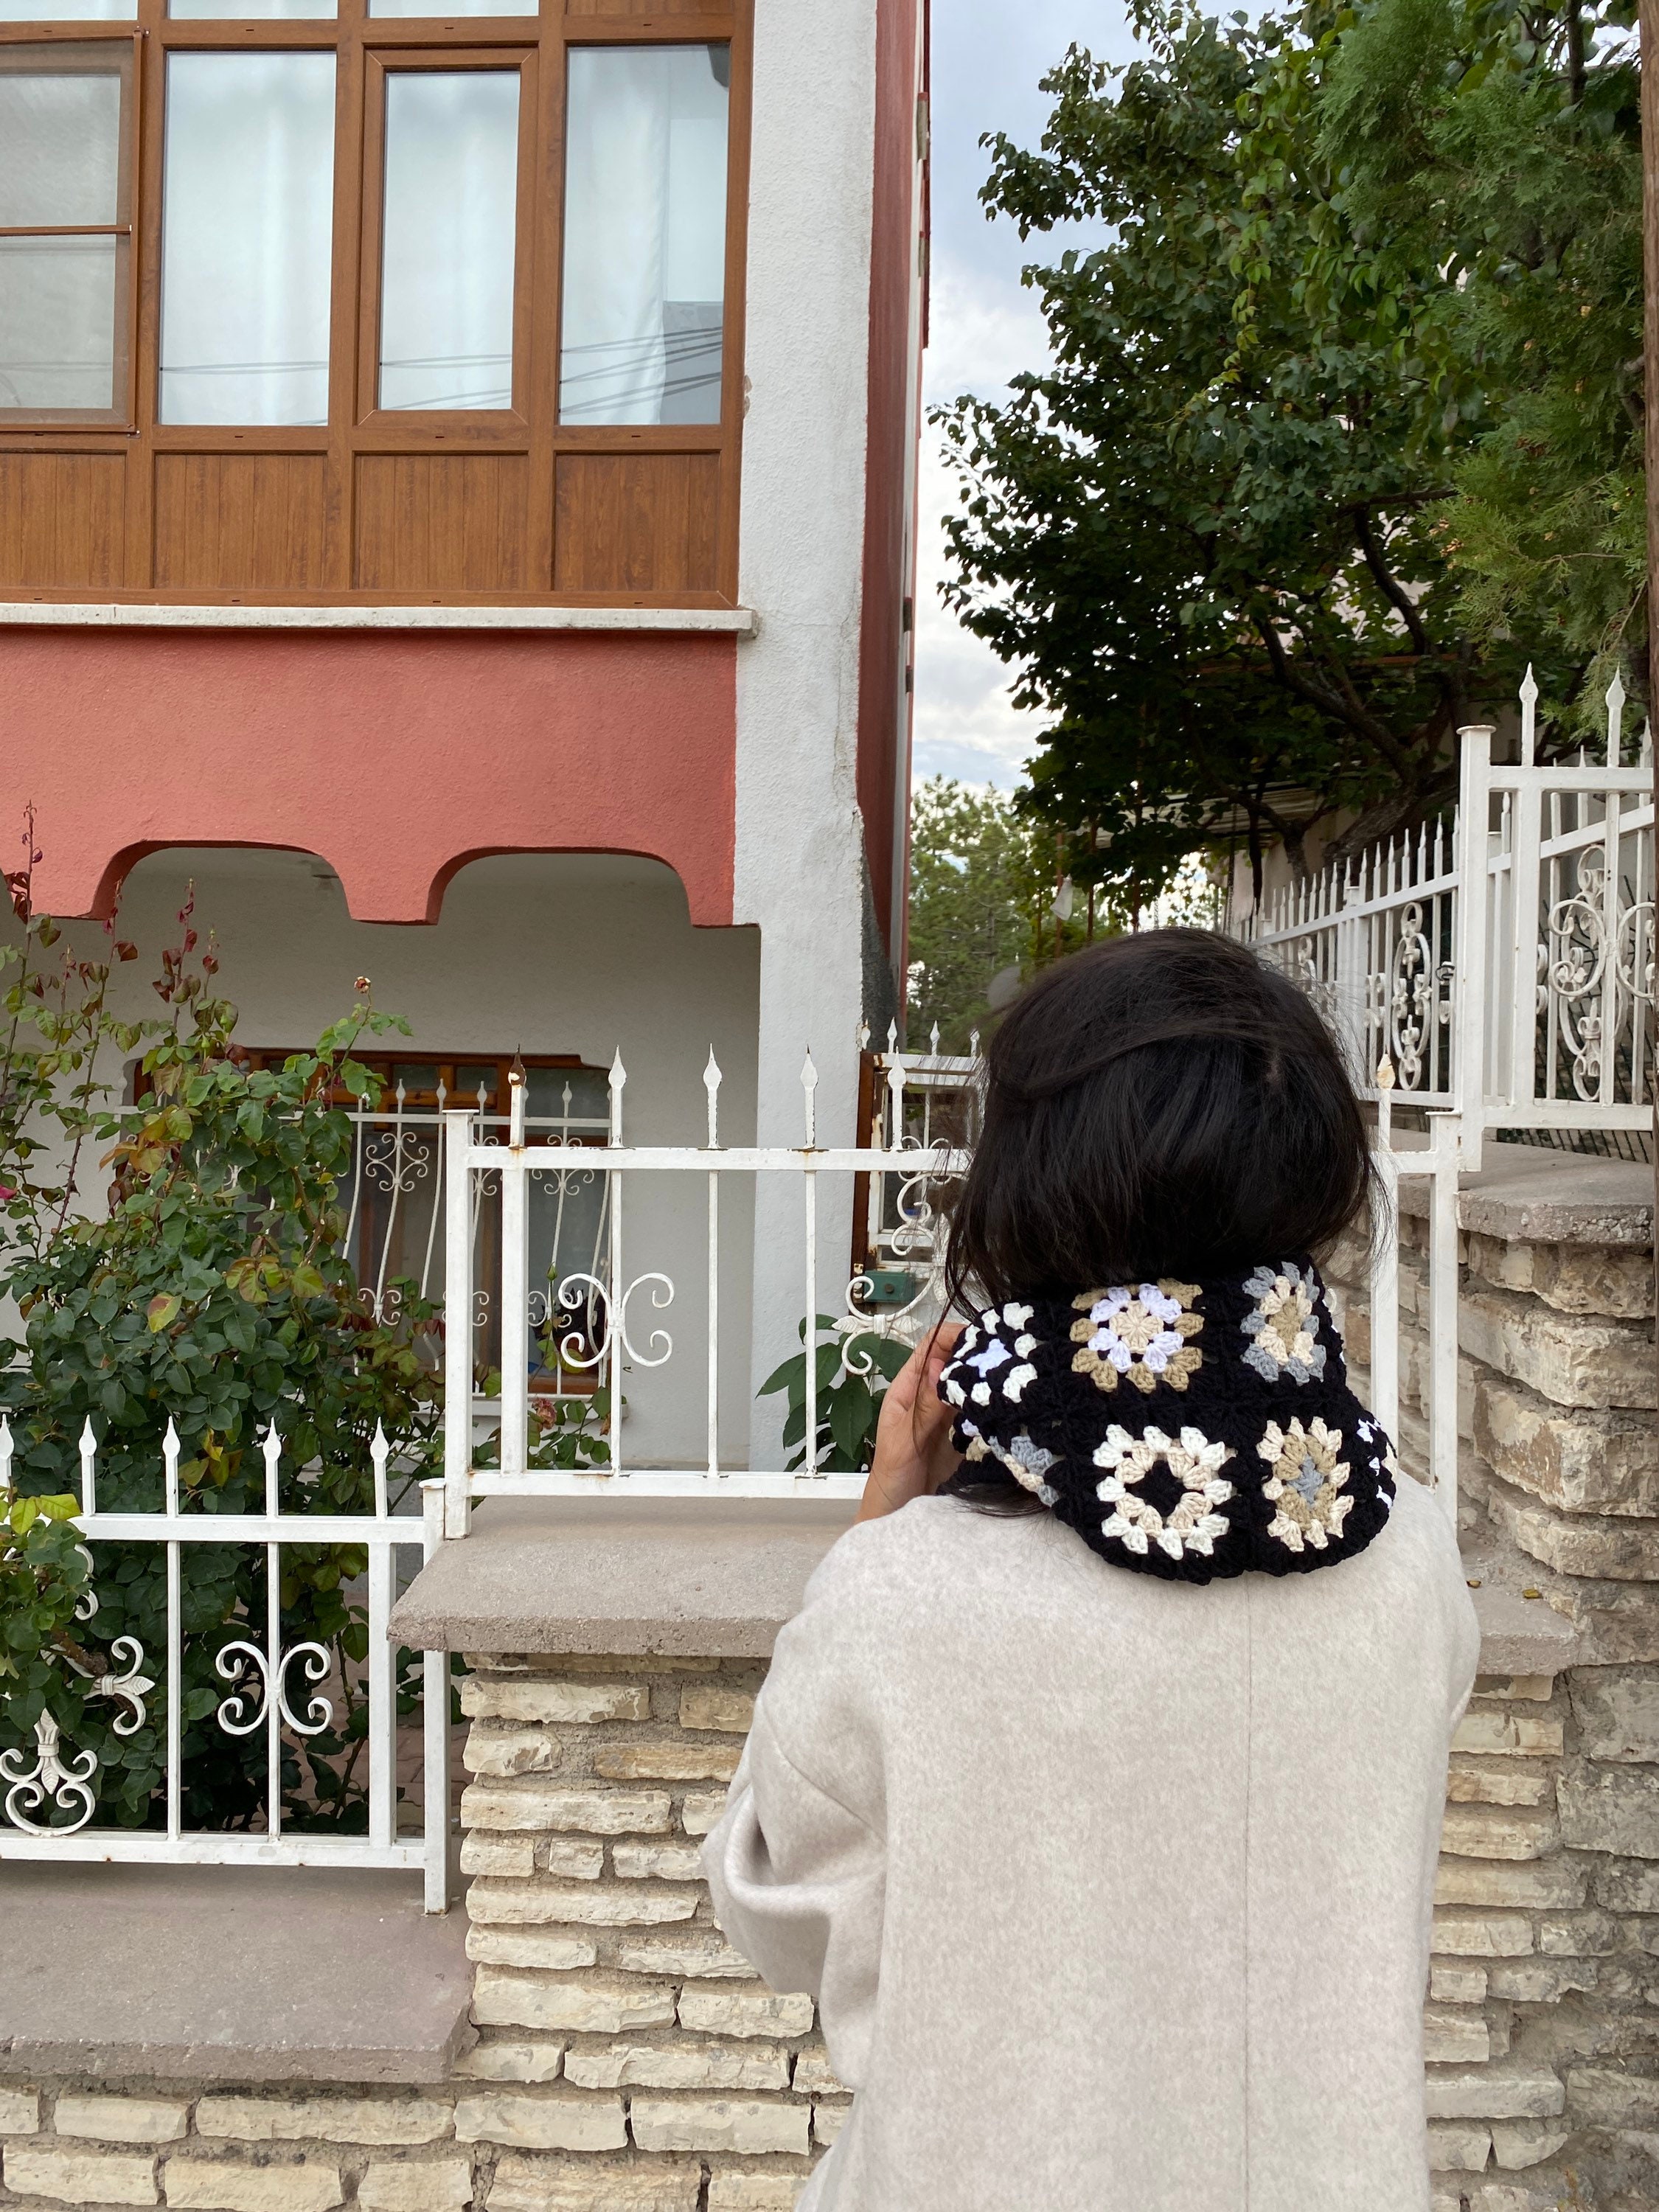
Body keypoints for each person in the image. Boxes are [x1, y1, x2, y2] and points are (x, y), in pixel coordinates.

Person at [703, 930, 1479, 2212]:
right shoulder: (1409, 1563)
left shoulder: (902, 1598)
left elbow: (771, 1906)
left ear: (1028, 1191)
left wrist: (874, 1530)